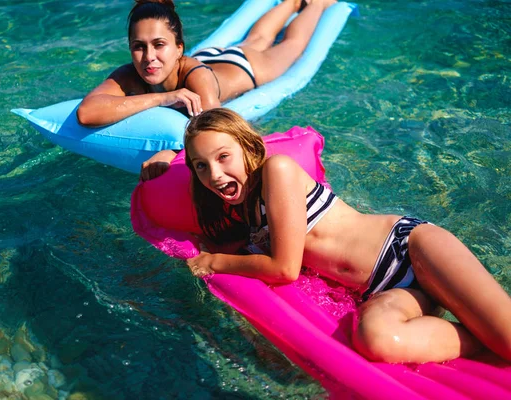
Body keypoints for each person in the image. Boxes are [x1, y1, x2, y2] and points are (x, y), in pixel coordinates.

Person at [181, 107, 511, 364]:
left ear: (248, 146)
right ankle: (482, 338)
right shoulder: (247, 213)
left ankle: (493, 333)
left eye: (223, 156)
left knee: (508, 338)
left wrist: (214, 262)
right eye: (200, 166)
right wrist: (164, 159)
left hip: (410, 250)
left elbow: (284, 268)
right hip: (383, 290)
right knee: (377, 340)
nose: (215, 174)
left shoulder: (277, 170)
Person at [76, 0, 336, 180]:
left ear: (179, 48)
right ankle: (290, 3)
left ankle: (315, 4)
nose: (149, 57)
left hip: (247, 67)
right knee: (256, 39)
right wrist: (162, 98)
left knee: (292, 44)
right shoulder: (129, 74)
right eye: (139, 46)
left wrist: (174, 154)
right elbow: (87, 113)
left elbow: (217, 129)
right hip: (210, 57)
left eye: (159, 44)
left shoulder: (196, 76)